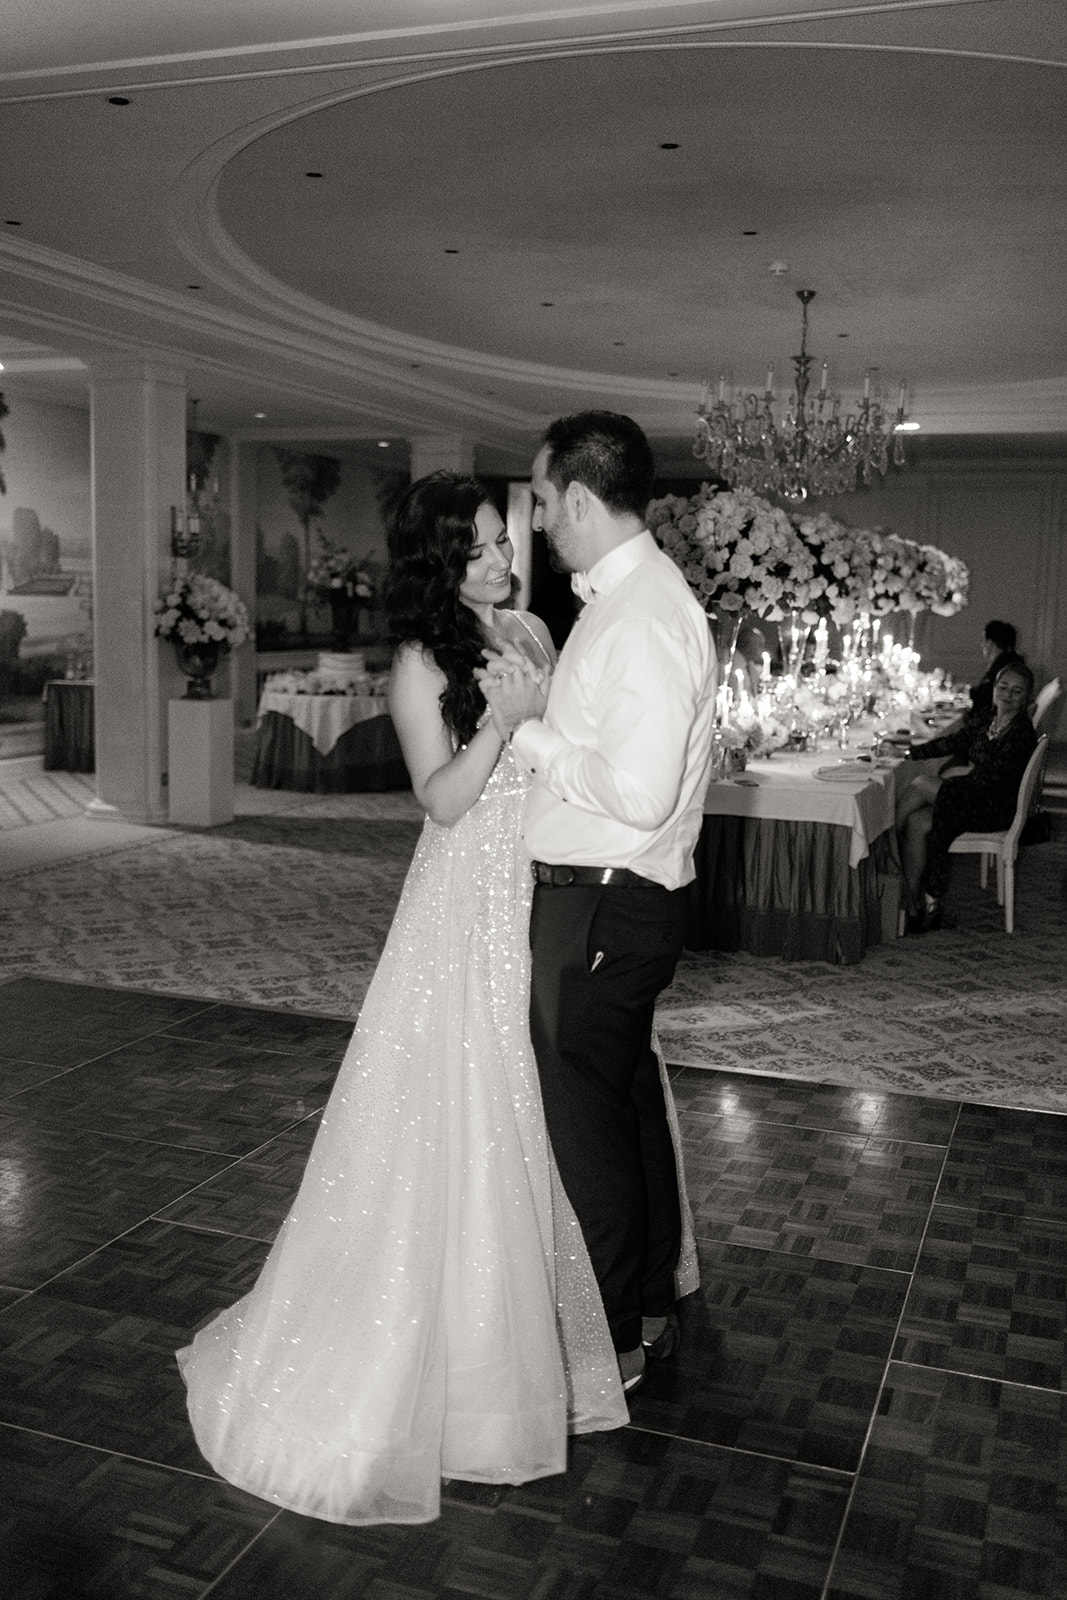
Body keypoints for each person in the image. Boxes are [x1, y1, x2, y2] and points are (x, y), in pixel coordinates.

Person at [177, 471, 630, 1527]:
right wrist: (504, 722)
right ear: (434, 561)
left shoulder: (525, 624)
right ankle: (430, 1376)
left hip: (541, 881)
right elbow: (439, 800)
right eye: (473, 547)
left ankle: (496, 1353)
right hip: (463, 897)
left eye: (499, 540)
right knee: (459, 1110)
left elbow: (562, 756)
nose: (497, 559)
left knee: (529, 1105)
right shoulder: (422, 660)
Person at [478, 412, 717, 1395]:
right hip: (611, 903)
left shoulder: (646, 614)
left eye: (538, 501)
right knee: (618, 1108)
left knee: (587, 1130)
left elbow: (637, 791)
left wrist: (529, 733)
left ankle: (613, 1335)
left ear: (577, 497)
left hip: (601, 909)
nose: (534, 522)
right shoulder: (624, 602)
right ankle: (651, 1302)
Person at [895, 661, 1037, 932]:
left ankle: (889, 846)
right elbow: (954, 742)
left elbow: (991, 783)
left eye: (1016, 691)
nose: (1007, 695)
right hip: (972, 795)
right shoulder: (987, 718)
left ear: (1026, 697)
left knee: (921, 783)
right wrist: (910, 754)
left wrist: (950, 780)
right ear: (994, 689)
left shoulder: (1021, 734)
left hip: (992, 806)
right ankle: (913, 902)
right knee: (918, 822)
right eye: (1003, 687)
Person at [730, 622, 767, 701]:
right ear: (748, 645)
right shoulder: (731, 665)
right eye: (759, 645)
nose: (762, 650)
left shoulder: (750, 665)